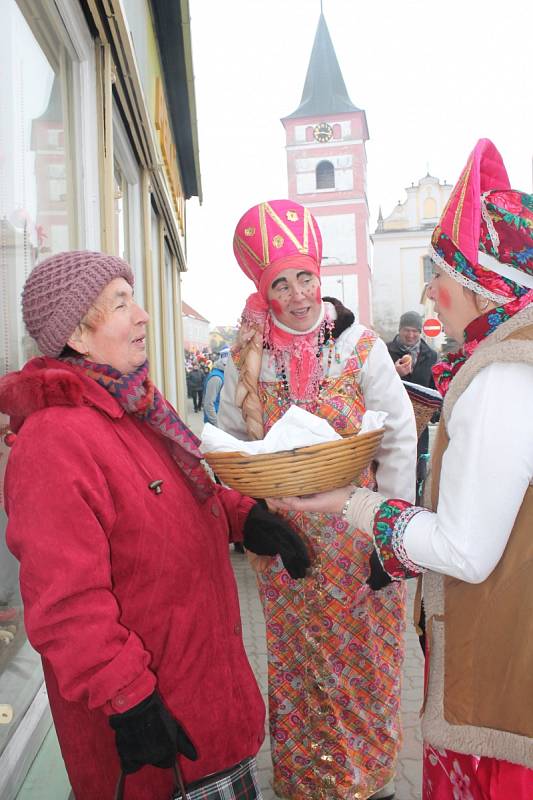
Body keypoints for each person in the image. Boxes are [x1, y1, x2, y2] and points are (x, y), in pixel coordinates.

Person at [270, 140, 533, 799]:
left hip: (500, 670)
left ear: (480, 285)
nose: (428, 294)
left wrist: (351, 505)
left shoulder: (502, 378)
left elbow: (465, 552)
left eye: (437, 275)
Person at [0, 250, 311, 800]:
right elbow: (64, 605)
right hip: (160, 741)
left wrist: (245, 518)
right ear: (76, 332)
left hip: (206, 703)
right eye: (122, 303)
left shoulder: (132, 405)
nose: (143, 315)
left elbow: (174, 498)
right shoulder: (55, 441)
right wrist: (129, 701)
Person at [219, 200, 417, 800]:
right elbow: (229, 442)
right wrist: (253, 516)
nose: (299, 294)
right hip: (293, 557)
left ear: (320, 276)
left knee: (366, 676)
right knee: (304, 676)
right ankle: (307, 786)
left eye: (306, 276)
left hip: (361, 548)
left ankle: (373, 786)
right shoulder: (250, 356)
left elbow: (401, 435)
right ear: (264, 289)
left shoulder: (360, 345)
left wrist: (394, 537)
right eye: (281, 283)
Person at [387, 311, 438, 495]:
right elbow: (375, 383)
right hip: (392, 421)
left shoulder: (430, 355)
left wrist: (436, 410)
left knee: (418, 471)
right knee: (393, 469)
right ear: (399, 330)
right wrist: (395, 373)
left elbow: (434, 387)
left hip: (419, 425)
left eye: (415, 331)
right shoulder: (385, 351)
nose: (411, 335)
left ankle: (414, 508)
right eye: (407, 330)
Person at [203, 348, 229, 427]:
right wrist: (217, 424)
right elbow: (208, 404)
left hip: (222, 421)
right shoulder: (216, 378)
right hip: (216, 424)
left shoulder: (224, 374)